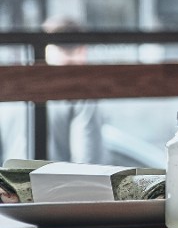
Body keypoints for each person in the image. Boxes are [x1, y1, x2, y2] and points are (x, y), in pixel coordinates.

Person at [0, 16, 107, 164]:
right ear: (82, 49)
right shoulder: (80, 91)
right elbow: (88, 164)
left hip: (10, 185)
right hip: (55, 186)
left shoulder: (14, 86)